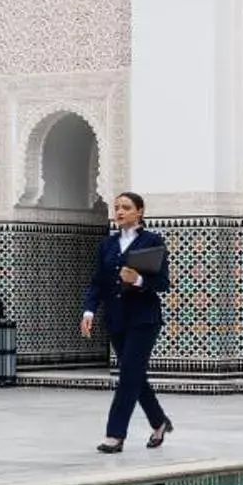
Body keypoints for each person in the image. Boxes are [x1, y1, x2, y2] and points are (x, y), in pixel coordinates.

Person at [81, 190, 173, 453]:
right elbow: (97, 282)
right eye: (117, 207)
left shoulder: (152, 241)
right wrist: (89, 311)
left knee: (128, 376)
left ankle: (115, 435)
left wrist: (139, 280)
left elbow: (163, 283)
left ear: (140, 212)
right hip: (116, 319)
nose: (119, 212)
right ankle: (159, 422)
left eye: (126, 207)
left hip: (144, 320)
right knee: (135, 376)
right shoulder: (107, 245)